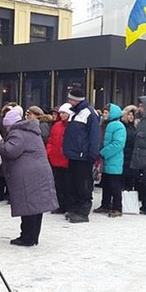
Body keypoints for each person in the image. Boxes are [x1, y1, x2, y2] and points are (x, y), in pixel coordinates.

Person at [0, 110, 58, 246]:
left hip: (28, 175)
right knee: (36, 207)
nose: (6, 128)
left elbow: (9, 151)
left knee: (28, 206)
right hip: (39, 171)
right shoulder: (32, 131)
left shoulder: (17, 133)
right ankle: (33, 237)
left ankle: (26, 238)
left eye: (7, 126)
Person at [62, 88, 101, 223]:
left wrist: (92, 154)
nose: (68, 101)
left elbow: (94, 135)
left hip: (83, 156)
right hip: (73, 155)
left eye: (70, 99)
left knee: (83, 184)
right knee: (74, 184)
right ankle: (75, 209)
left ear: (77, 100)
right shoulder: (73, 114)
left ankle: (83, 212)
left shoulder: (89, 113)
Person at [93, 104, 126, 217]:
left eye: (107, 113)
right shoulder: (104, 124)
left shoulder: (118, 126)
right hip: (106, 160)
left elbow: (118, 144)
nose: (104, 115)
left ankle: (117, 207)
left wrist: (103, 152)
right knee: (106, 183)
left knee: (115, 185)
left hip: (113, 160)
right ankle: (105, 204)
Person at [46, 103, 73, 214]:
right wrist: (49, 152)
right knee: (58, 184)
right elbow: (51, 140)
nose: (61, 115)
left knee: (68, 185)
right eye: (60, 113)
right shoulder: (56, 125)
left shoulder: (72, 126)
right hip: (55, 158)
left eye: (64, 113)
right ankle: (60, 205)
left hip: (67, 159)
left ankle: (68, 206)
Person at [121, 105, 138, 191]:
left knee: (130, 182)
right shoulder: (122, 126)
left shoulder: (134, 127)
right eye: (129, 114)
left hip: (131, 157)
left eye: (132, 115)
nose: (131, 117)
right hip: (124, 156)